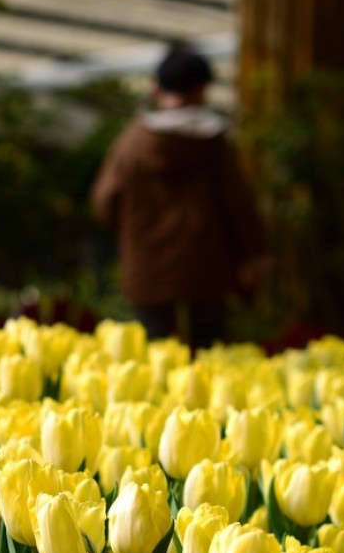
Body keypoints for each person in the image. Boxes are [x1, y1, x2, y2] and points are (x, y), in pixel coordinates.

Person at [91, 45, 267, 347]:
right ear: (202, 89)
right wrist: (255, 253)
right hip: (208, 266)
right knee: (209, 353)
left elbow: (104, 201)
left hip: (148, 266)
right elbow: (238, 203)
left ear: (156, 89)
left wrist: (132, 235)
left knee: (154, 353)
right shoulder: (214, 143)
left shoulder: (133, 143)